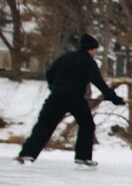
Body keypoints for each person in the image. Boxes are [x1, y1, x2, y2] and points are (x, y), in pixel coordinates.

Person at [14, 34, 125, 168]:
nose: (96, 52)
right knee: (87, 125)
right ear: (91, 49)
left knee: (44, 125)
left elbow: (50, 73)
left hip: (56, 97)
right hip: (75, 99)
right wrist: (114, 98)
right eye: (95, 49)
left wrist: (54, 87)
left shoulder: (65, 57)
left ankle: (27, 154)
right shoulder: (88, 61)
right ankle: (83, 157)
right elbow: (98, 82)